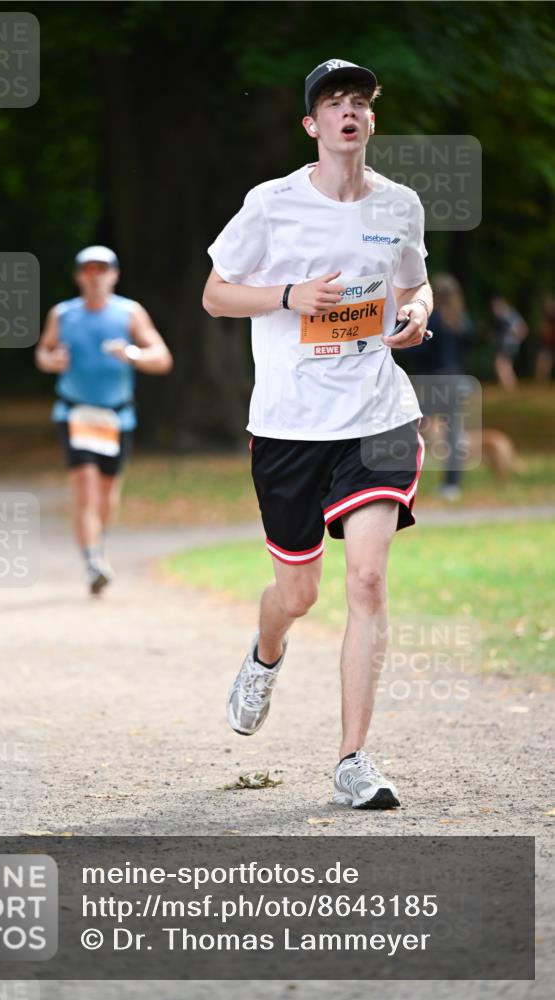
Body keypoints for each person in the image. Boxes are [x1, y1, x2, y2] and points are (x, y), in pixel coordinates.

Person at [203, 58, 432, 809]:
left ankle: (352, 760)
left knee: (366, 579)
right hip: (289, 426)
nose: (348, 112)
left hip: (376, 415)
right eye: (334, 102)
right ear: (311, 125)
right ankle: (264, 655)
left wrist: (417, 310)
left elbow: (411, 282)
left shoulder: (398, 205)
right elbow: (214, 294)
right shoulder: (270, 205)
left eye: (360, 102)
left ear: (370, 121)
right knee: (295, 593)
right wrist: (288, 295)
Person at [35, 246, 172, 594]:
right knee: (84, 485)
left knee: (108, 491)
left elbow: (162, 358)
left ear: (114, 275)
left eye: (102, 269)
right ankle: (92, 560)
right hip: (75, 412)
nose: (95, 276)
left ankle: (99, 542)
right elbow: (43, 352)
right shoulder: (63, 314)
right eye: (88, 270)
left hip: (116, 416)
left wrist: (131, 353)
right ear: (79, 276)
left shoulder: (129, 313)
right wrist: (52, 361)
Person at [411, 273, 474, 501]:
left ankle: (403, 476)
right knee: (453, 432)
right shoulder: (462, 320)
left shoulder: (434, 320)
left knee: (410, 425)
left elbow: (421, 351)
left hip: (432, 380)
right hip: (455, 379)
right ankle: (452, 485)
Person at [489, 295, 527, 390]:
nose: (494, 309)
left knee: (499, 364)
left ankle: (509, 386)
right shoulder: (510, 314)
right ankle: (510, 386)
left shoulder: (507, 315)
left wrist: (515, 337)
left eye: (495, 306)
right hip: (509, 344)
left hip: (509, 344)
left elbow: (523, 329)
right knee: (506, 366)